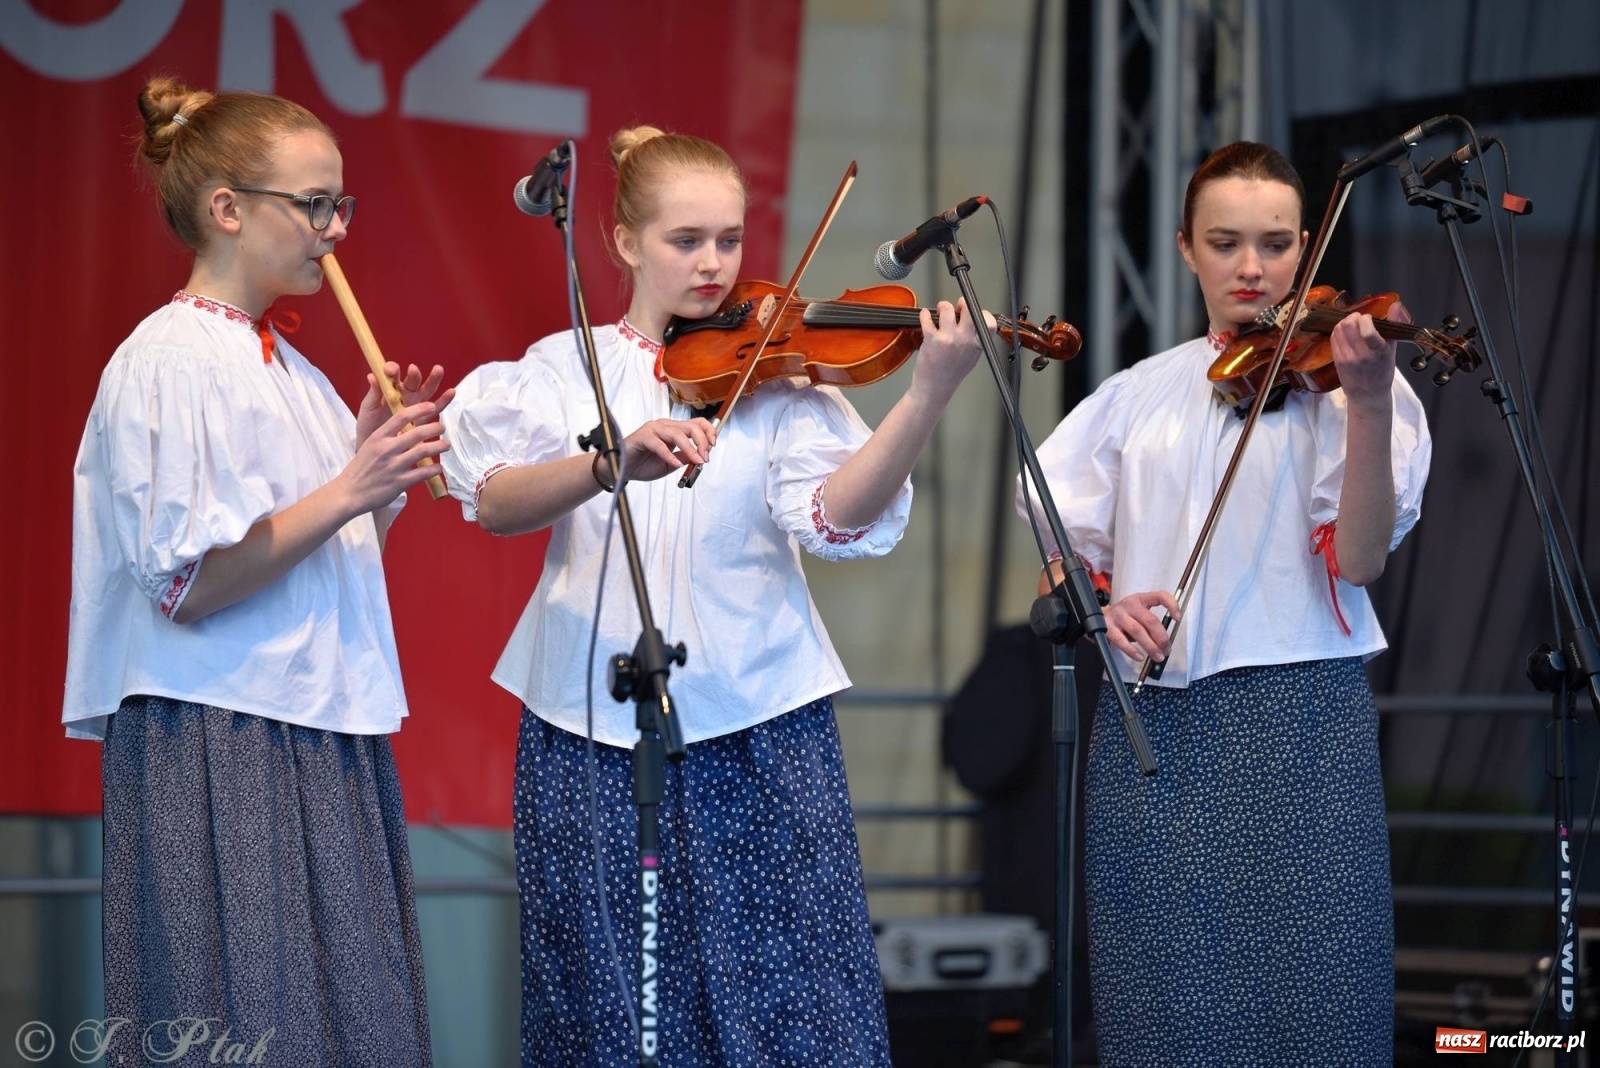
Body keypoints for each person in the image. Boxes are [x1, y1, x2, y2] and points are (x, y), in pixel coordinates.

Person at [438, 125, 985, 1066]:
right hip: (590, 725)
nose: (714, 264)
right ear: (622, 241)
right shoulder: (559, 368)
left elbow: (833, 516)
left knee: (790, 987)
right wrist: (608, 463)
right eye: (684, 240)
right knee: (610, 993)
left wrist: (926, 396)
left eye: (728, 240)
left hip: (761, 716)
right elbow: (491, 500)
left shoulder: (776, 372)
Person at [1018, 141, 1431, 1065]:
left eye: (1278, 244)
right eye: (1226, 242)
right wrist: (1099, 607)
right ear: (1185, 249)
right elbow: (1060, 550)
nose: (1253, 266)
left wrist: (1365, 403)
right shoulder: (1135, 396)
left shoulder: (1353, 383)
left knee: (1316, 999)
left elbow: (1359, 559)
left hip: (1301, 719)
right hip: (1152, 726)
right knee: (1161, 1003)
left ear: (1307, 250)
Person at [64, 77, 450, 1066]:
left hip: (314, 726)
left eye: (339, 204)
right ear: (227, 209)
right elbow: (189, 585)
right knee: (247, 1024)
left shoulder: (297, 371)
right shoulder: (174, 360)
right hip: (220, 731)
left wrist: (374, 480)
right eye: (313, 204)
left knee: (353, 1025)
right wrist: (349, 487)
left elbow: (321, 572)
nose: (334, 230)